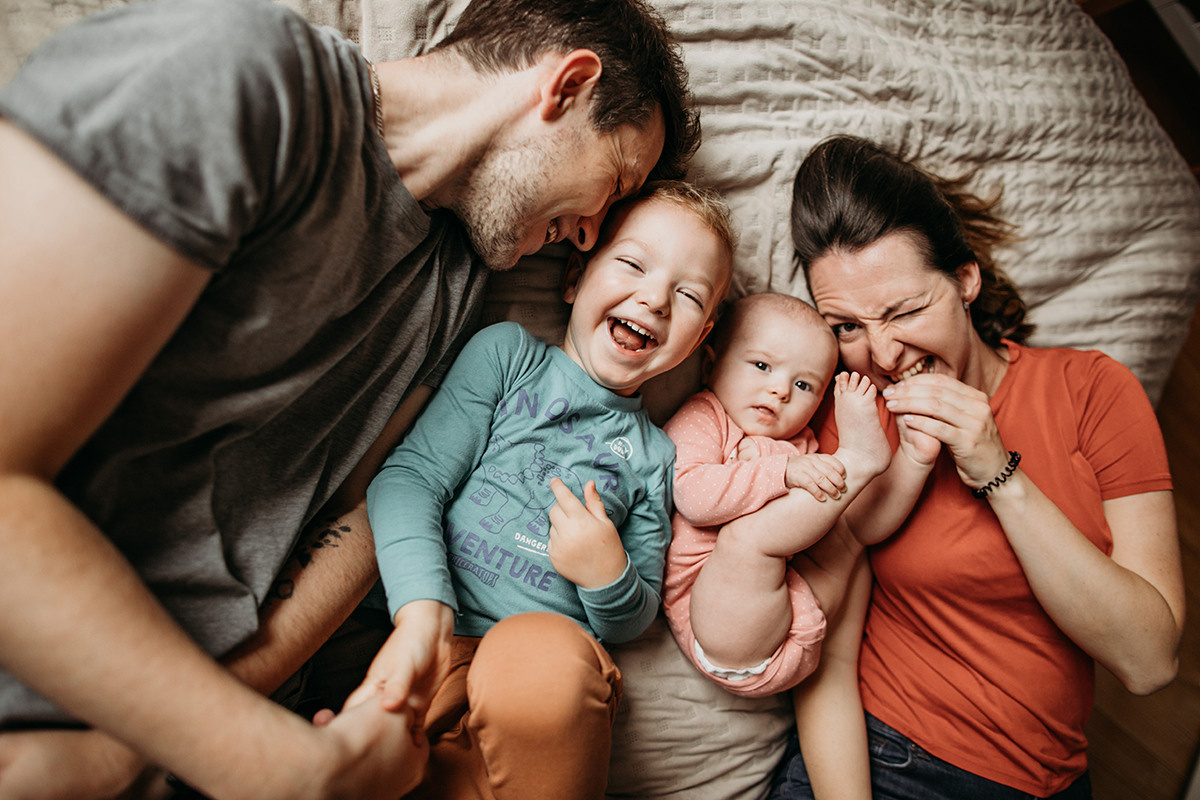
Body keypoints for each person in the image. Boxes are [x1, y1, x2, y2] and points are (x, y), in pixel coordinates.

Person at [0, 0, 699, 795]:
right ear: (567, 86)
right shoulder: (243, 75)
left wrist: (149, 749)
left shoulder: (453, 282)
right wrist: (263, 760)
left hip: (216, 730)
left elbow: (360, 514)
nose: (590, 233)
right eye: (615, 183)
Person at [771, 135, 1185, 800]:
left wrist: (999, 472)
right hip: (890, 763)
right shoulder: (850, 420)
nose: (883, 354)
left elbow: (1149, 661)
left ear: (966, 280)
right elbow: (827, 655)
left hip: (1057, 783)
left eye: (905, 311)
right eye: (846, 326)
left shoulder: (1094, 391)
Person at [357, 180, 735, 799]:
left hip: (542, 678)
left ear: (699, 340)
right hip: (424, 649)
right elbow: (410, 481)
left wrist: (608, 575)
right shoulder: (509, 357)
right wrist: (422, 612)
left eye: (688, 294)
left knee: (542, 654)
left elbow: (636, 616)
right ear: (574, 279)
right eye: (633, 264)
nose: (656, 298)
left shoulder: (655, 456)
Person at [660, 292, 892, 697]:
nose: (781, 390)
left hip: (793, 606)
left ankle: (909, 459)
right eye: (762, 366)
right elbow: (692, 497)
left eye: (803, 385)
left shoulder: (801, 444)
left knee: (851, 527)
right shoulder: (705, 417)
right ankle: (859, 460)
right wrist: (780, 472)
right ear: (710, 365)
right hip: (719, 627)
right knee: (746, 541)